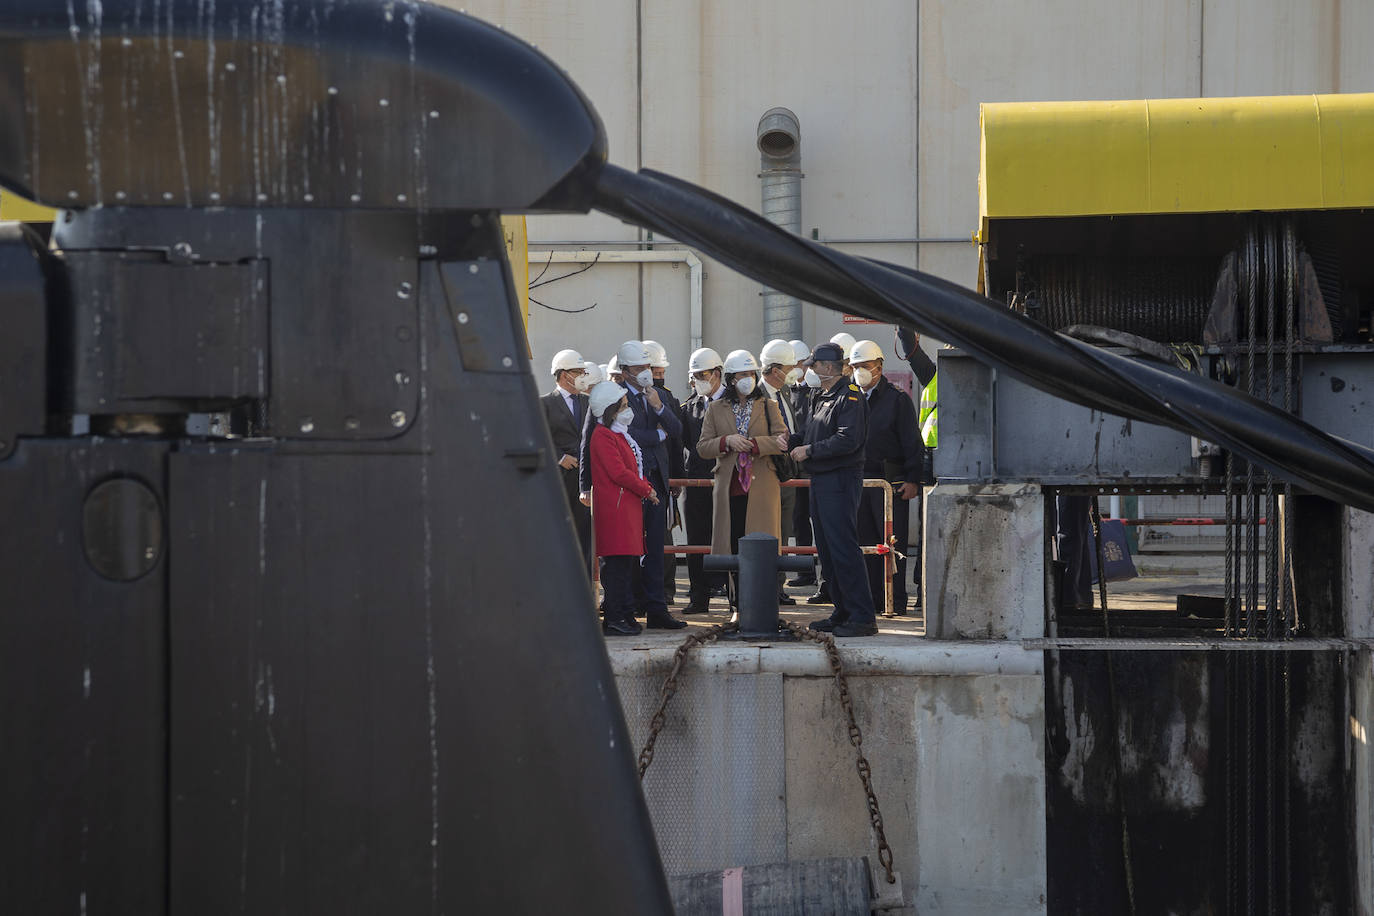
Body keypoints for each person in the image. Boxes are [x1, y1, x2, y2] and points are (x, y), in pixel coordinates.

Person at [582, 341, 687, 629]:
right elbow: (617, 438)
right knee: (622, 552)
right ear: (625, 371)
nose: (646, 374)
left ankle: (657, 609)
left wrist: (659, 408)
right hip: (627, 487)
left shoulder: (660, 396)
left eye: (648, 368)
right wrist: (657, 436)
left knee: (655, 549)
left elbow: (678, 432)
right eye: (639, 368)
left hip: (655, 483)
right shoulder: (611, 398)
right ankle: (624, 609)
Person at [789, 342, 877, 637]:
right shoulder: (820, 395)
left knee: (843, 548)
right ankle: (842, 610)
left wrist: (810, 450)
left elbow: (847, 440)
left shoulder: (849, 397)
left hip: (840, 480)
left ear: (828, 367)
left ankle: (862, 616)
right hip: (822, 480)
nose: (810, 370)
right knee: (827, 550)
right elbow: (811, 430)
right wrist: (791, 442)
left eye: (814, 366)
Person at [697, 349, 788, 617]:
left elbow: (783, 441)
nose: (747, 379)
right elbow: (703, 446)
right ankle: (736, 605)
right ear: (731, 379)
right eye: (742, 375)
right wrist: (726, 442)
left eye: (751, 374)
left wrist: (755, 444)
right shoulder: (715, 408)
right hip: (730, 488)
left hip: (762, 487)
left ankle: (764, 605)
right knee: (733, 548)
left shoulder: (769, 406)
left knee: (764, 546)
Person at [849, 339, 925, 615]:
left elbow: (911, 442)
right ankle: (870, 601)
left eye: (864, 366)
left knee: (891, 547)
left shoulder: (897, 400)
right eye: (855, 366)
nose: (860, 371)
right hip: (858, 483)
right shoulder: (850, 398)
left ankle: (896, 601)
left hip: (889, 485)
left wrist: (913, 479)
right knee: (864, 544)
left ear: (879, 367)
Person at [586, 380, 659, 636]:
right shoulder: (603, 435)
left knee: (626, 566)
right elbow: (618, 472)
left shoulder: (617, 434)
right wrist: (646, 489)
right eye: (623, 405)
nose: (628, 409)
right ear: (610, 409)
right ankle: (615, 617)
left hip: (625, 508)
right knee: (616, 567)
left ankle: (625, 614)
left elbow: (634, 468)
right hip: (616, 508)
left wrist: (644, 485)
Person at [679, 347, 727, 613]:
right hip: (696, 483)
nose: (695, 381)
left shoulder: (736, 403)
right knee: (696, 541)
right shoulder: (690, 407)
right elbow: (684, 442)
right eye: (693, 376)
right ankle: (699, 598)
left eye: (701, 375)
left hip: (728, 481)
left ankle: (737, 600)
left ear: (717, 374)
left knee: (729, 539)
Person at [540, 349, 593, 573]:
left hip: (584, 481)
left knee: (586, 535)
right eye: (578, 372)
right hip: (558, 480)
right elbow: (536, 437)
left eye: (584, 371)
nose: (583, 376)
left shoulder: (588, 402)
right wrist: (559, 457)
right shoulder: (545, 404)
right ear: (564, 375)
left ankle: (587, 589)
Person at [759, 339, 801, 606]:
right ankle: (766, 586)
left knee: (784, 532)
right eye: (789, 367)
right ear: (776, 370)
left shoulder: (784, 393)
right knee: (768, 532)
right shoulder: (758, 397)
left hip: (788, 473)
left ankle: (779, 587)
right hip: (767, 473)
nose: (794, 371)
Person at [643, 340, 685, 602]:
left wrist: (676, 477)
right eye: (654, 372)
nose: (659, 377)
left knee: (663, 534)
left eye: (661, 372)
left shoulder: (667, 397)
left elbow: (675, 440)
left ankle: (665, 590)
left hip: (662, 475)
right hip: (638, 475)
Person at [786, 339, 817, 588]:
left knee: (816, 517)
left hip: (811, 462)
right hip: (793, 464)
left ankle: (820, 573)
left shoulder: (814, 390)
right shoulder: (788, 391)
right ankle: (805, 570)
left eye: (798, 364)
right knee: (798, 519)